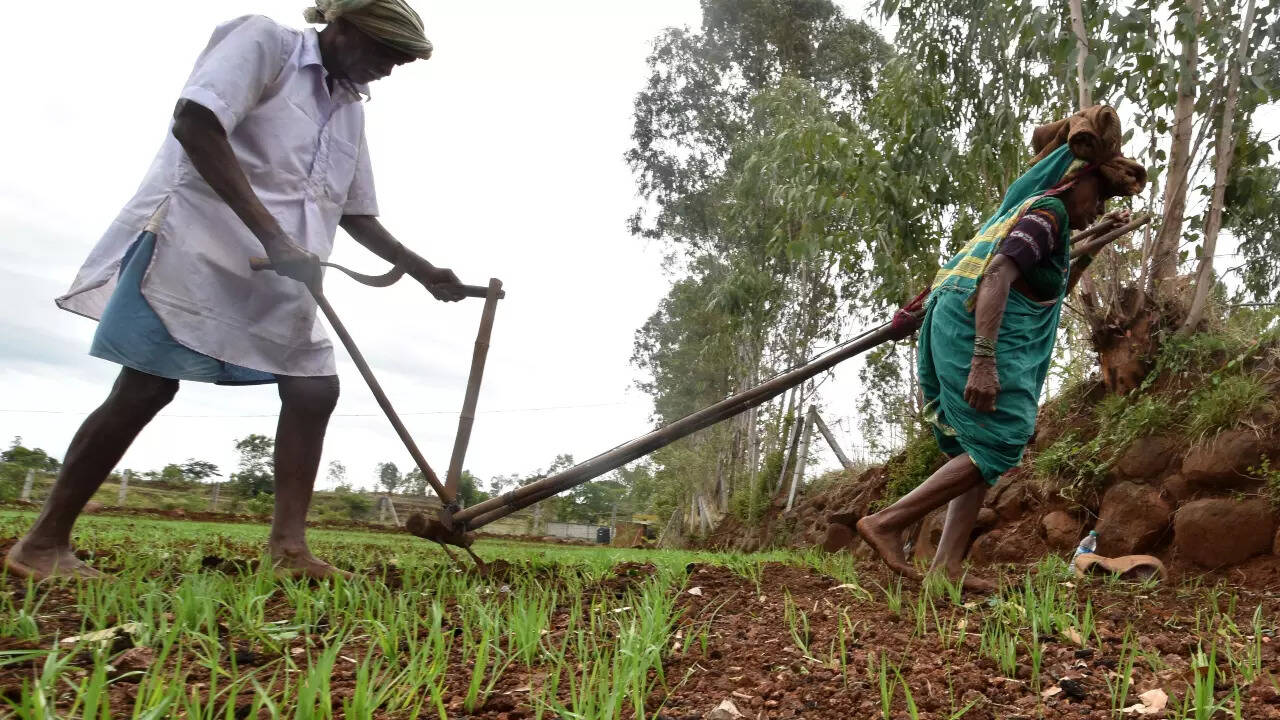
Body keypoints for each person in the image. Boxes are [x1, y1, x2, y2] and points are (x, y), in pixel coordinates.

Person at [6, 0, 460, 580]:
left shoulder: (348, 109)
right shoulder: (266, 44)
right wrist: (273, 235)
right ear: (343, 28)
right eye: (384, 53)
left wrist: (422, 270)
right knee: (145, 387)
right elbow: (195, 122)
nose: (389, 70)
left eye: (400, 62)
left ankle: (289, 552)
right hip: (194, 244)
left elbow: (353, 211)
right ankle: (42, 544)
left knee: (314, 388)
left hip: (281, 268)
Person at [856, 107, 1148, 592]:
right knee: (1003, 439)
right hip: (971, 323)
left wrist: (1093, 244)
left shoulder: (1040, 220)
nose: (1097, 210)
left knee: (981, 450)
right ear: (1076, 178)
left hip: (950, 315)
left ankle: (945, 569)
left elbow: (1049, 289)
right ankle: (887, 522)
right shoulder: (1048, 212)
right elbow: (997, 275)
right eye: (1099, 195)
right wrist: (984, 360)